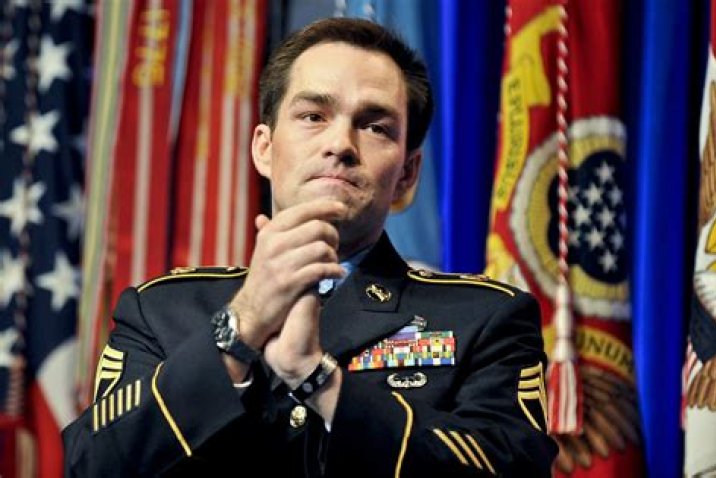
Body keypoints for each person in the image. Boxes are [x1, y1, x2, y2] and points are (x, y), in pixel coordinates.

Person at [63, 17, 558, 477]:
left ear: (407, 173)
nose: (341, 143)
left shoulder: (485, 318)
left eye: (374, 126)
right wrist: (239, 330)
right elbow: (91, 465)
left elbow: (512, 468)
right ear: (263, 148)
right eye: (313, 115)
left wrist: (320, 381)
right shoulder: (159, 310)